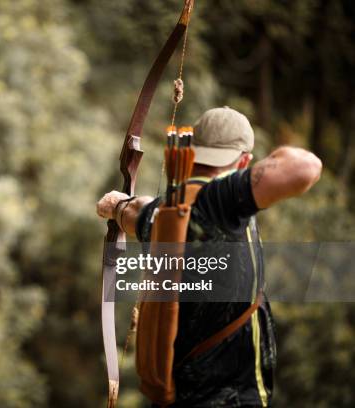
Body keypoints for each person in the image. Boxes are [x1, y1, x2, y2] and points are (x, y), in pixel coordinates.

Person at [96, 107, 322, 407]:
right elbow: (306, 167)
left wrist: (117, 206)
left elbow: (136, 212)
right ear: (243, 161)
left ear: (190, 153)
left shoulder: (165, 214)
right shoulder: (222, 201)